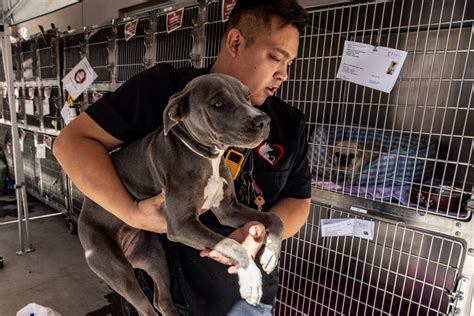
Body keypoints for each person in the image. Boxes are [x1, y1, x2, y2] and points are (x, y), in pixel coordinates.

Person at [53, 0, 311, 315]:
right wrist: (132, 212)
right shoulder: (163, 90)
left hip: (241, 296)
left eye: (290, 64)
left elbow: (299, 200)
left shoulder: (288, 124)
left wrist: (263, 233)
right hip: (157, 285)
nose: (283, 74)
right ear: (235, 42)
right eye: (275, 58)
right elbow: (71, 143)